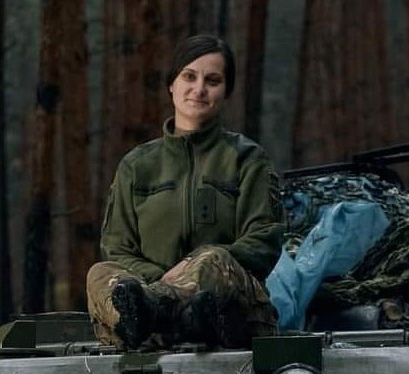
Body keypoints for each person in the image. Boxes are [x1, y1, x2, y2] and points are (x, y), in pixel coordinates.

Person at [86, 35, 283, 350]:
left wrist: (192, 268)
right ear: (172, 84)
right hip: (148, 310)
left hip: (228, 313)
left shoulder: (248, 159)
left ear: (226, 91)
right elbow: (117, 248)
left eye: (213, 80)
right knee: (101, 272)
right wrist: (162, 279)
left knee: (213, 259)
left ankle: (163, 312)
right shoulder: (137, 166)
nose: (199, 88)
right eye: (189, 76)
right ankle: (161, 316)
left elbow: (263, 241)